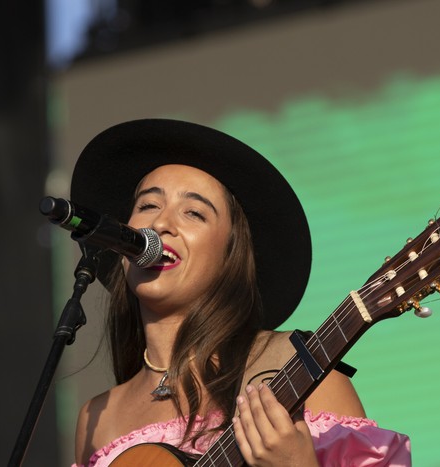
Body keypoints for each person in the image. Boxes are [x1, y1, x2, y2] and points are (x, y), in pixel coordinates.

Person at [69, 119, 411, 466]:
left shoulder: (300, 369)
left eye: (194, 212)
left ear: (230, 254)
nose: (160, 224)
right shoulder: (98, 416)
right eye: (147, 206)